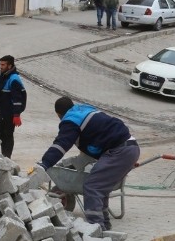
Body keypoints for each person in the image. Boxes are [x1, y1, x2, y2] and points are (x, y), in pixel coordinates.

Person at [29, 97, 140, 231]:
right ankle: (104, 225)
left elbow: (61, 145)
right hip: (128, 147)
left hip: (119, 151)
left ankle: (96, 230)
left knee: (92, 186)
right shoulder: (84, 111)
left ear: (58, 114)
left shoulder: (71, 120)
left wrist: (45, 164)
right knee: (101, 188)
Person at [0, 55, 27, 159]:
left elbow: (17, 99)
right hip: (3, 112)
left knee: (8, 135)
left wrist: (16, 115)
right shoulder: (4, 75)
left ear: (10, 65)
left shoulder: (13, 79)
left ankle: (7, 157)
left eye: (3, 65)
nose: (1, 67)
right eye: (0, 64)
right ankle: (4, 153)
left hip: (10, 113)